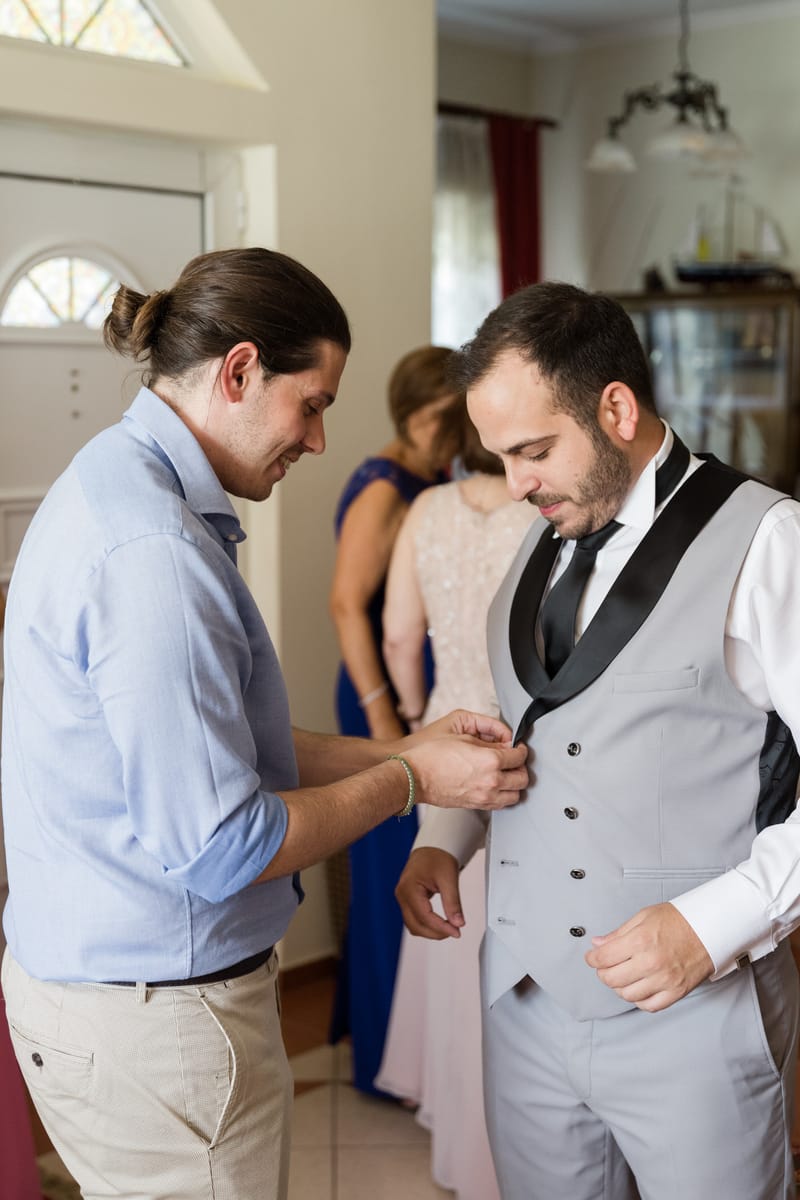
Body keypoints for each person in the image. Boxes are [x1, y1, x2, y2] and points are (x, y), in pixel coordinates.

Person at [0, 247, 530, 1200]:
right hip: (155, 1024)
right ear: (240, 371)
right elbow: (225, 845)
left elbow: (228, 752)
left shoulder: (116, 480)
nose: (320, 441)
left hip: (102, 993)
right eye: (313, 403)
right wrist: (411, 781)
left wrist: (404, 744)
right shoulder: (153, 553)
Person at [395, 280, 800, 1200]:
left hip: (697, 1016)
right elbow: (526, 728)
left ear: (615, 408)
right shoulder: (543, 532)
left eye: (533, 451)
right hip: (526, 1009)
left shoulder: (769, 541)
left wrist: (714, 927)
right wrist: (442, 841)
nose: (514, 484)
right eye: (500, 457)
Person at [375, 398, 536, 1199]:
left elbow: (400, 634)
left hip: (445, 746)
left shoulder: (424, 510)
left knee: (448, 930)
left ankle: (459, 1127)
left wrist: (413, 719)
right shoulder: (541, 510)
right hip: (523, 755)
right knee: (512, 952)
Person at [328, 345, 459, 1095]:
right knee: (392, 872)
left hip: (410, 692)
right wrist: (385, 719)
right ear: (417, 416)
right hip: (379, 696)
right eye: (448, 417)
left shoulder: (431, 479)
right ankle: (385, 1061)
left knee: (413, 864)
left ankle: (411, 1054)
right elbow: (348, 605)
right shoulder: (384, 486)